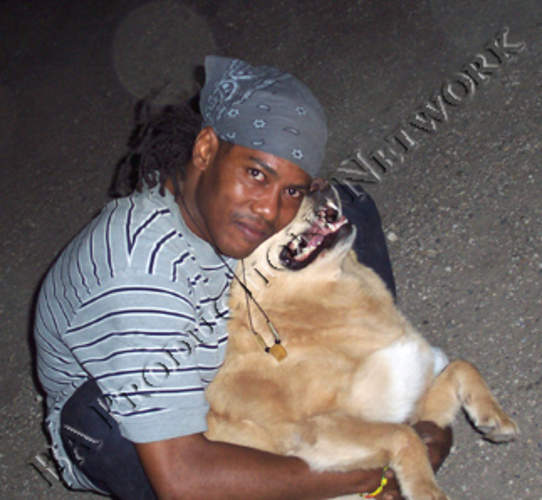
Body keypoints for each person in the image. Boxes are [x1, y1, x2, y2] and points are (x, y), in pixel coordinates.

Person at [34, 55, 451, 499]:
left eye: (291, 189)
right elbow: (184, 477)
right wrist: (374, 469)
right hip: (136, 420)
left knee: (345, 212)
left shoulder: (219, 207)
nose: (268, 209)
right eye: (256, 174)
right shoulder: (140, 270)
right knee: (105, 426)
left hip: (228, 366)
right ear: (205, 149)